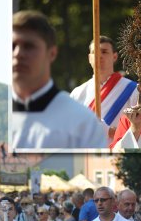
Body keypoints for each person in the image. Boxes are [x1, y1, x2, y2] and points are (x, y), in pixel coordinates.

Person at [10, 10, 107, 150]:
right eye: (12, 46)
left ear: (52, 53)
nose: (18, 54)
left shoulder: (82, 122)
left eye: (29, 46)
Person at [70, 36, 141, 138]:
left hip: (118, 152)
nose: (99, 56)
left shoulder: (133, 89)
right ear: (89, 58)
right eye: (95, 52)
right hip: (86, 152)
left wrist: (108, 131)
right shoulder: (77, 93)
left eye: (104, 52)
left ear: (114, 57)